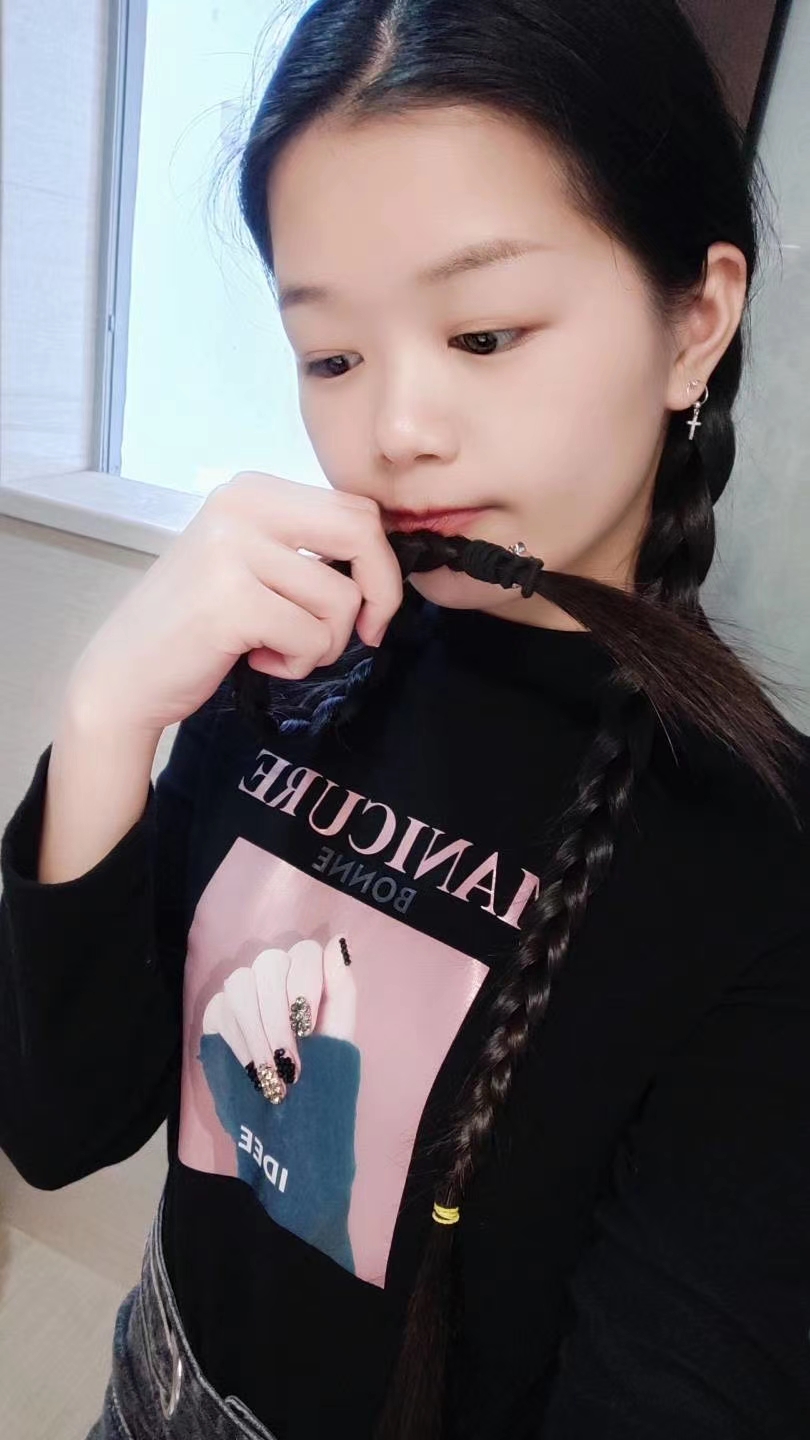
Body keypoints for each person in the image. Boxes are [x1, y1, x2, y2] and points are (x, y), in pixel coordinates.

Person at [2, 1, 809, 1437]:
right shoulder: (294, 653)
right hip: (148, 1377)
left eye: (483, 332)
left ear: (694, 322)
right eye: (331, 356)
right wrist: (107, 712)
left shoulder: (759, 863)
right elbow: (59, 1124)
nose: (393, 433)